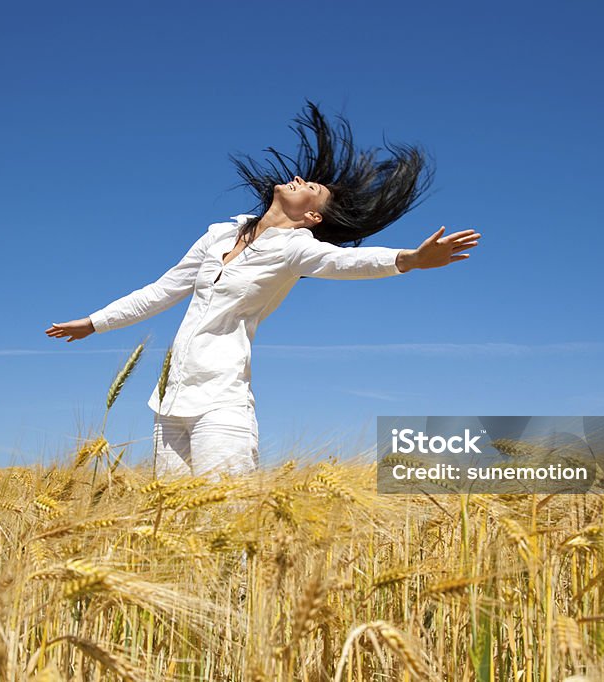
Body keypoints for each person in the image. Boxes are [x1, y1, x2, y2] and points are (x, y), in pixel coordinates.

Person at [45, 100, 481, 480]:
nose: (299, 179)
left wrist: (411, 259)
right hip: (167, 403)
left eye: (311, 188)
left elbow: (346, 263)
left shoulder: (297, 249)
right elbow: (162, 290)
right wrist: (94, 323)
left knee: (226, 526)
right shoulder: (220, 233)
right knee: (174, 523)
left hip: (222, 405)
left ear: (312, 218)